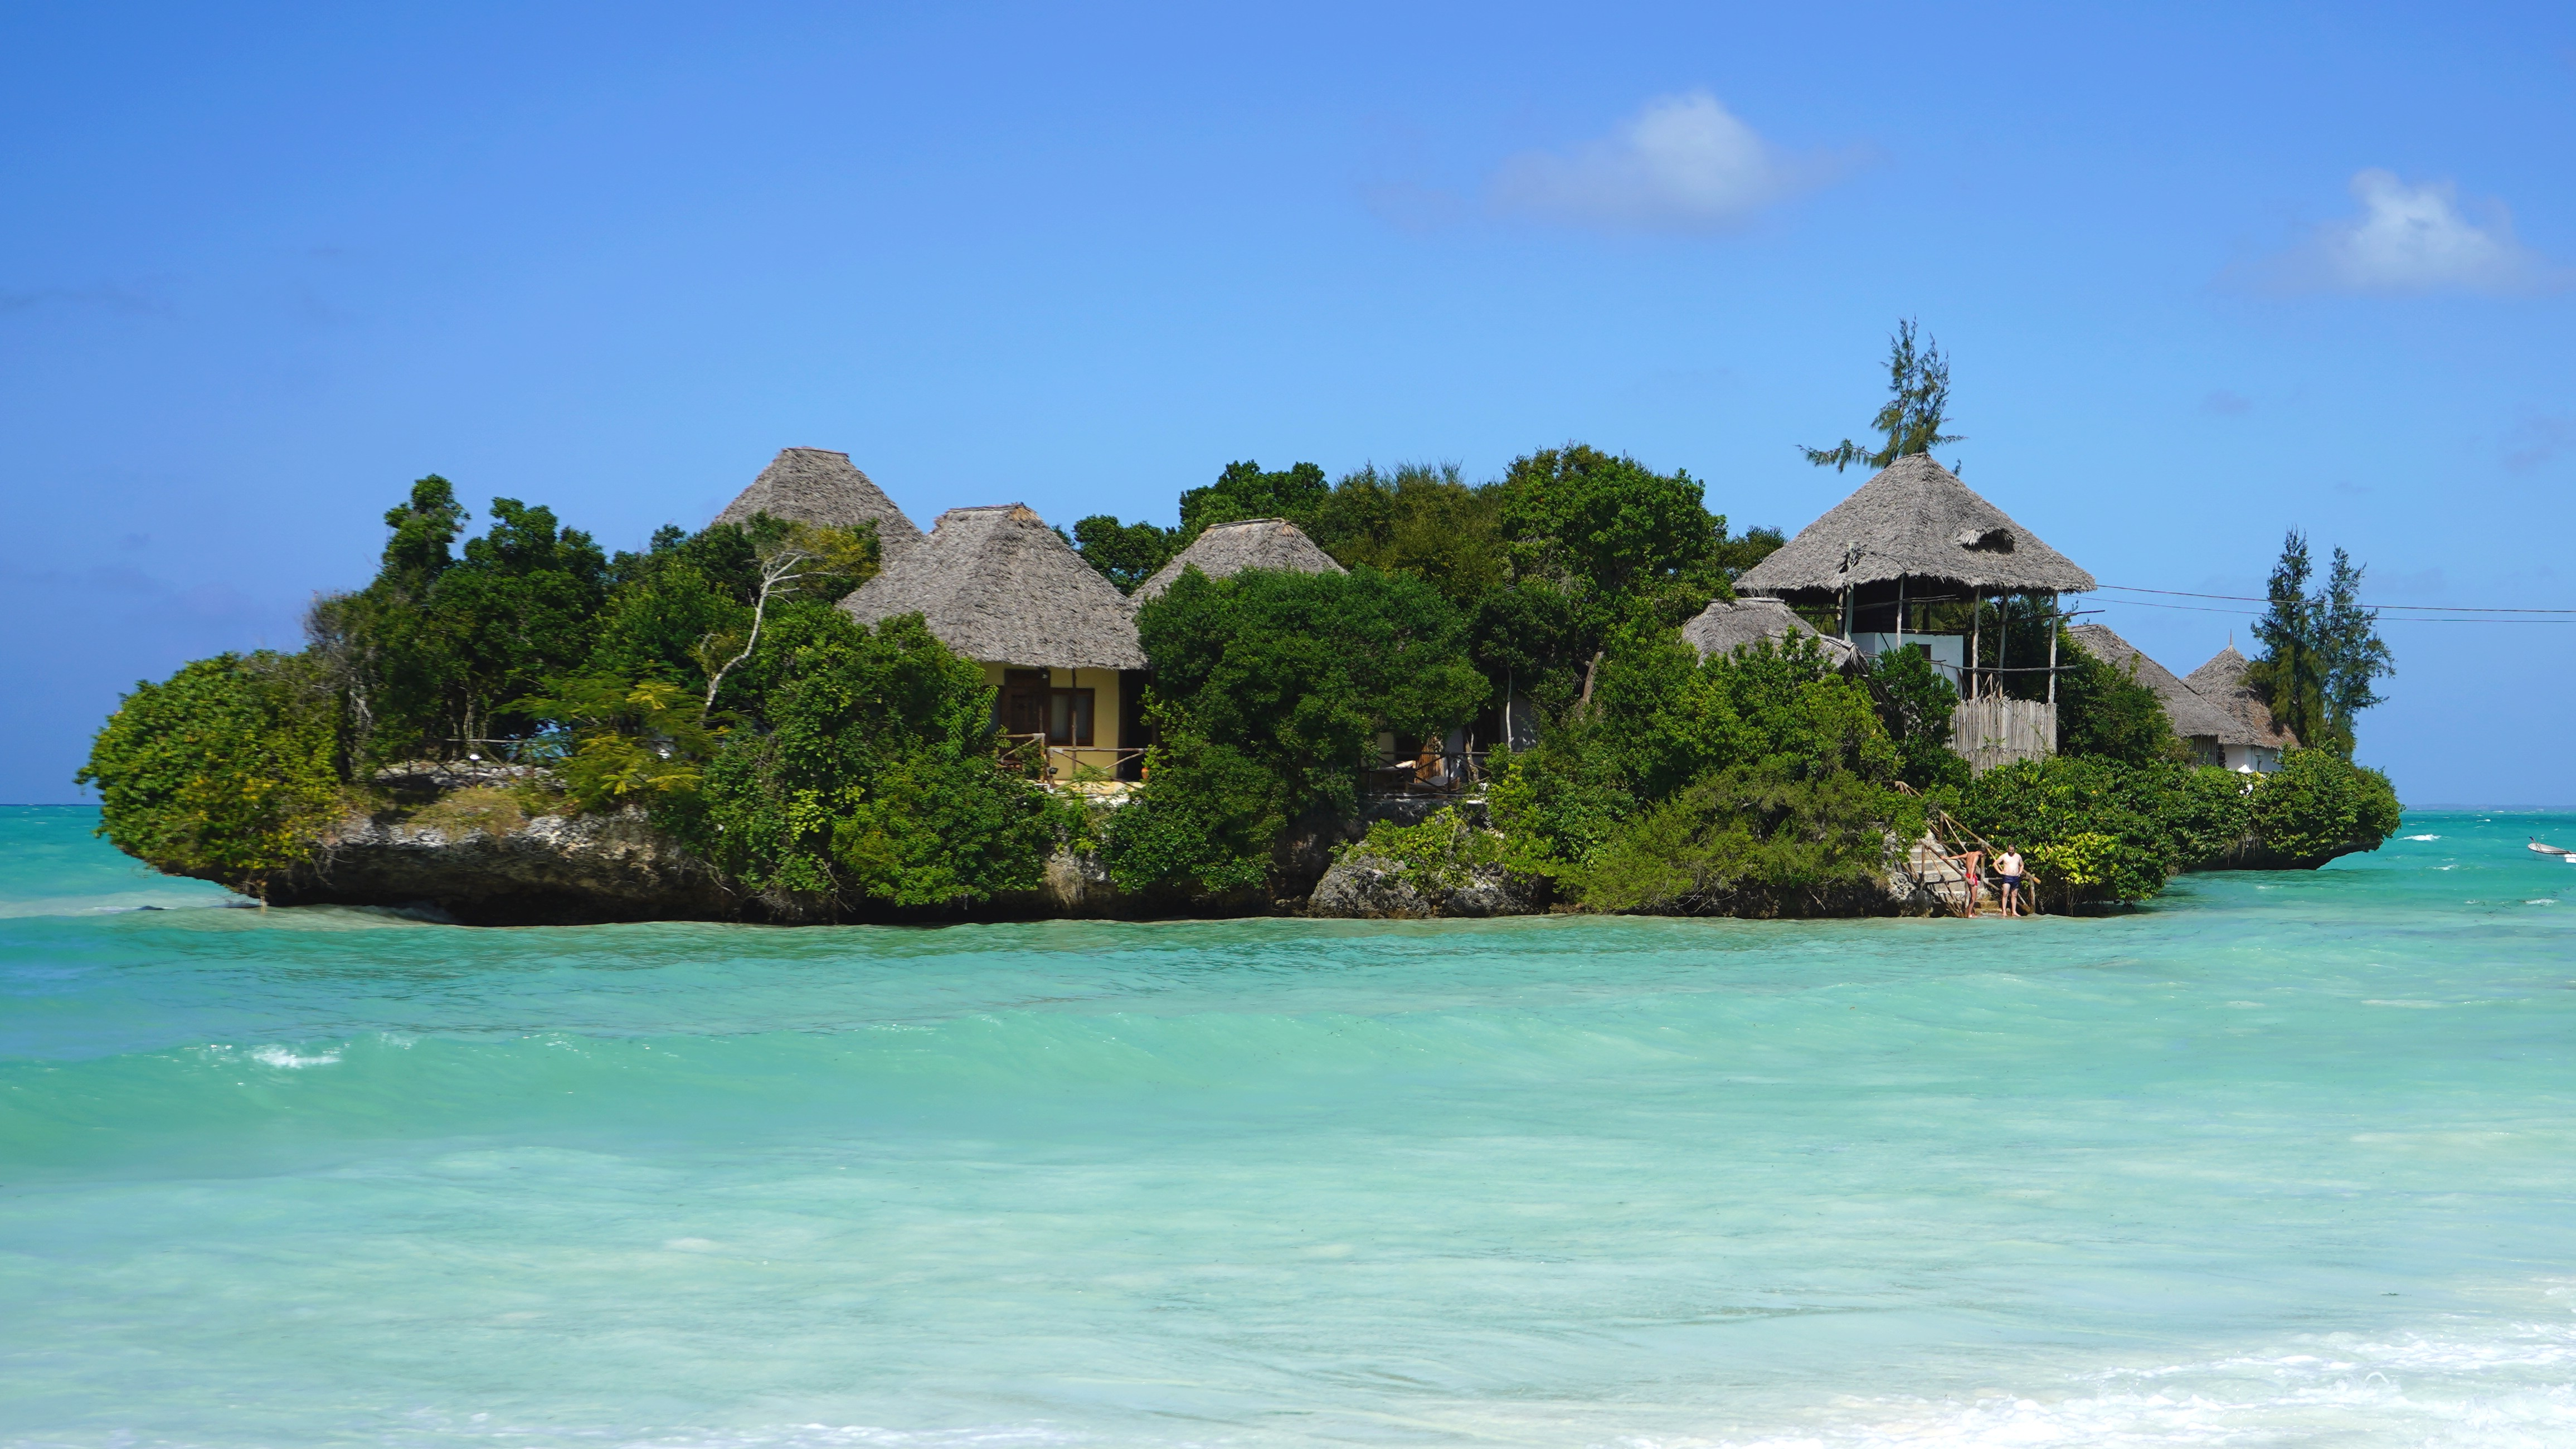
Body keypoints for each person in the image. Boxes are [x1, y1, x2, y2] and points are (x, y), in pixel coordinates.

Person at [1951, 848, 1983, 917]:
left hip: (1967, 875)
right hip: (1971, 877)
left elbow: (1958, 857)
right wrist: (1971, 879)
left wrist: (1947, 858)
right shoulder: (1976, 856)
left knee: (1972, 895)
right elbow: (1973, 867)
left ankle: (1971, 912)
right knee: (1974, 897)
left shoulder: (1969, 854)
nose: (1982, 856)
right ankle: (1970, 914)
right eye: (1983, 855)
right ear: (1981, 852)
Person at [1995, 847, 2025, 917]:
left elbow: (2022, 865)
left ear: (2014, 850)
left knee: (2014, 895)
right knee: (2005, 894)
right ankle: (2004, 911)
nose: (2010, 851)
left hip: (2016, 877)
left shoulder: (2018, 856)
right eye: (2009, 850)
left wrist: (2020, 872)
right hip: (2007, 877)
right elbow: (1995, 864)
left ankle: (2014, 911)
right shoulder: (2004, 856)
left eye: (2012, 850)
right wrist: (2000, 872)